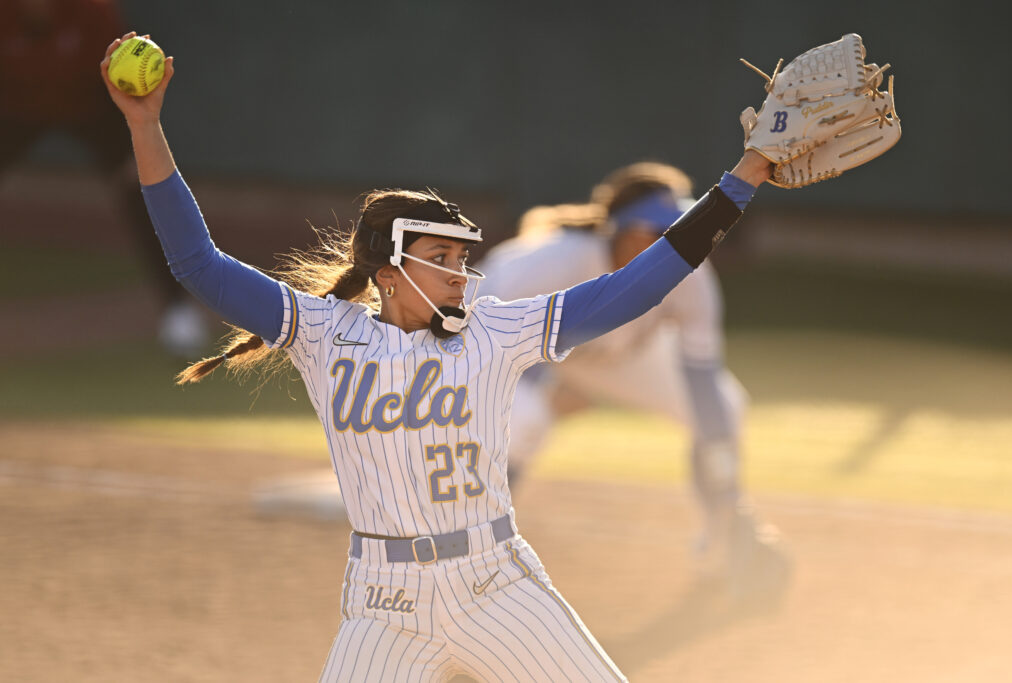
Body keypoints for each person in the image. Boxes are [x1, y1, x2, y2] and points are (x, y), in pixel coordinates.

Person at [101, 31, 774, 682]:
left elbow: (634, 288)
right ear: (388, 271)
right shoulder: (322, 332)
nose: (460, 272)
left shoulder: (497, 330)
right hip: (383, 606)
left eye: (461, 257)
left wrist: (743, 178)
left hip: (496, 586)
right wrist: (144, 126)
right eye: (441, 259)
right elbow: (198, 264)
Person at [476, 162, 789, 598]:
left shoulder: (689, 271)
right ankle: (473, 549)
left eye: (677, 231)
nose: (673, 244)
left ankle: (724, 535)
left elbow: (703, 383)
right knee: (526, 421)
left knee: (726, 405)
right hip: (495, 350)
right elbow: (485, 341)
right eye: (656, 232)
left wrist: (728, 493)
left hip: (617, 355)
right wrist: (543, 390)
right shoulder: (551, 260)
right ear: (619, 231)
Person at [0, 0, 207, 356]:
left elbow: (115, 84)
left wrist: (128, 147)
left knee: (141, 193)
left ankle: (177, 311)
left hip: (91, 109)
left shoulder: (92, 11)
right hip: (16, 109)